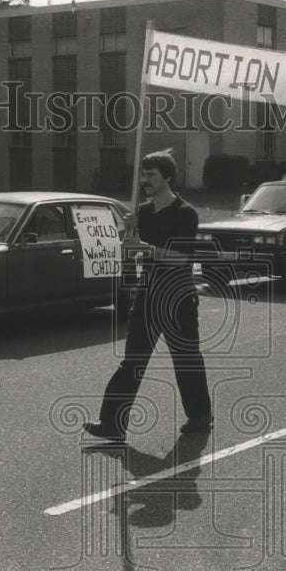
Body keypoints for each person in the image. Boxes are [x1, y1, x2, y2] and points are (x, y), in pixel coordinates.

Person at [84, 150, 212, 441]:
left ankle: (200, 414)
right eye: (143, 175)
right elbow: (128, 251)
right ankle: (112, 424)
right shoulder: (140, 212)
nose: (145, 181)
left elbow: (182, 258)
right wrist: (126, 234)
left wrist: (144, 246)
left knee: (186, 358)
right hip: (148, 293)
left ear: (167, 176)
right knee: (133, 360)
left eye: (151, 175)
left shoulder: (185, 213)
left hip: (177, 296)